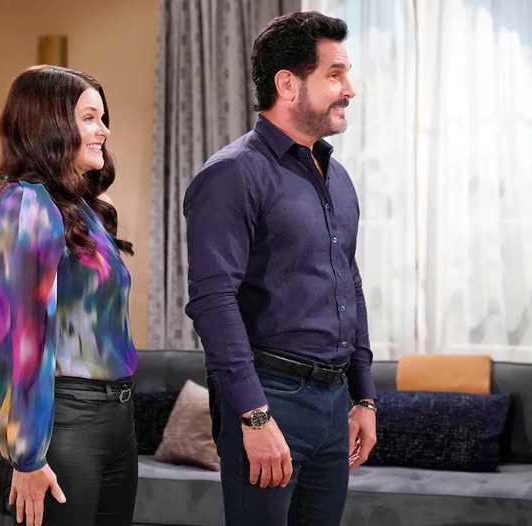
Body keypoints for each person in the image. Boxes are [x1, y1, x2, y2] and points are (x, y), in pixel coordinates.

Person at [183, 12, 378, 526]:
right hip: (270, 397)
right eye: (334, 74)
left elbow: (349, 284)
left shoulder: (337, 178)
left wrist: (364, 395)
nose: (349, 89)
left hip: (334, 401)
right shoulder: (231, 174)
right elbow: (212, 302)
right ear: (288, 84)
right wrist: (254, 414)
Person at [0, 65, 137, 526]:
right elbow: (20, 339)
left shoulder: (85, 209)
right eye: (89, 118)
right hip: (65, 424)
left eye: (102, 118)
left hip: (116, 417)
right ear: (50, 125)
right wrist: (26, 456)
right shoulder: (24, 205)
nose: (103, 130)